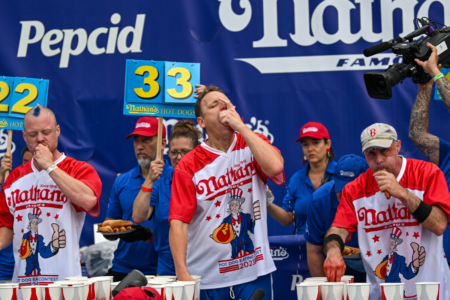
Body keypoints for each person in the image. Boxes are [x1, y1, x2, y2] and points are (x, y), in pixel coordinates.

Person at [169, 86, 285, 300]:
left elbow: (276, 167)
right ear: (202, 122)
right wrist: (181, 271)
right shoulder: (188, 165)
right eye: (214, 105)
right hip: (207, 277)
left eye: (226, 103)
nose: (222, 106)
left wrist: (241, 126)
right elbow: (179, 222)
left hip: (254, 272)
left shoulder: (252, 143)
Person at [323, 123, 450, 300]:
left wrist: (402, 193)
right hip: (380, 293)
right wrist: (333, 252)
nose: (379, 160)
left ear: (398, 146)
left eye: (385, 151)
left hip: (430, 291)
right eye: (371, 153)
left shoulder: (428, 173)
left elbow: (439, 225)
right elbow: (338, 228)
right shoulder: (354, 189)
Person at [0, 105, 102, 286]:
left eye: (46, 132)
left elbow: (89, 200)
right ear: (24, 137)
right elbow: (7, 227)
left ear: (57, 131)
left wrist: (50, 166)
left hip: (65, 283)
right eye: (33, 134)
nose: (40, 139)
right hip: (24, 284)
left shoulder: (78, 169)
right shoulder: (15, 177)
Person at [132, 120, 201, 276]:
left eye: (185, 151)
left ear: (197, 152)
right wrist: (149, 179)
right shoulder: (160, 183)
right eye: (174, 152)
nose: (178, 157)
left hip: (203, 265)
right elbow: (138, 216)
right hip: (168, 269)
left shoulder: (207, 183)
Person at [103, 117, 166, 281]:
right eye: (136, 140)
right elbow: (108, 227)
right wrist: (122, 229)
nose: (139, 146)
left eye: (146, 140)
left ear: (163, 143)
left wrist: (152, 234)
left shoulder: (176, 178)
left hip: (165, 271)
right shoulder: (122, 180)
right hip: (124, 270)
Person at [408, 42, 450, 265]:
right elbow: (416, 133)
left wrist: (436, 71)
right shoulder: (447, 154)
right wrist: (425, 85)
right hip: (442, 260)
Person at [305, 154, 367, 279]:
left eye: (352, 189)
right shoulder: (320, 200)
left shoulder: (382, 196)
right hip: (339, 274)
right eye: (342, 189)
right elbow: (314, 251)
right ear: (335, 180)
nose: (346, 195)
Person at [268, 122, 336, 234]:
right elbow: (287, 218)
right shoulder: (296, 179)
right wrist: (267, 203)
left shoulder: (341, 174)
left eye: (316, 143)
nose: (310, 148)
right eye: (305, 144)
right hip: (303, 248)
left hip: (335, 247)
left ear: (327, 144)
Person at [0, 147, 30, 283]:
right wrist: (1, 175)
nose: (29, 166)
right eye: (25, 161)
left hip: (31, 272)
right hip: (4, 274)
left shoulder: (50, 190)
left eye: (34, 161)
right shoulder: (10, 188)